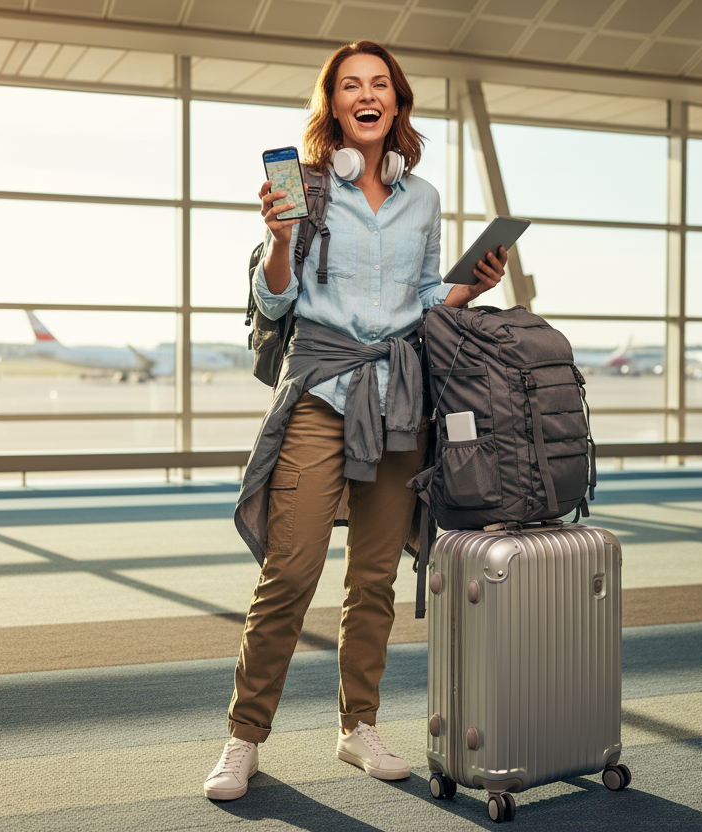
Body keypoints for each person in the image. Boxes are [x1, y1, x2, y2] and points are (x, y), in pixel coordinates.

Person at [204, 40, 508, 801]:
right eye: (351, 86)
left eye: (380, 85)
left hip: (399, 400)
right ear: (334, 105)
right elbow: (275, 302)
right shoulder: (305, 190)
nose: (366, 95)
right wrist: (279, 241)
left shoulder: (425, 198)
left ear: (397, 104)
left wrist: (473, 284)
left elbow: (426, 299)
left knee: (373, 579)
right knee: (289, 574)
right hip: (320, 394)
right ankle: (244, 737)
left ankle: (357, 726)